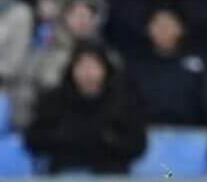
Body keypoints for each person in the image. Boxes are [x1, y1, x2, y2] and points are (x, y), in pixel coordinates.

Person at [25, 42, 148, 174]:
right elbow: (34, 140)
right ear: (72, 69)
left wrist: (109, 140)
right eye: (82, 66)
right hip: (64, 174)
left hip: (110, 176)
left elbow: (137, 145)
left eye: (94, 66)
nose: (88, 73)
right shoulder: (53, 100)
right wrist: (63, 138)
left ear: (105, 69)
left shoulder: (123, 100)